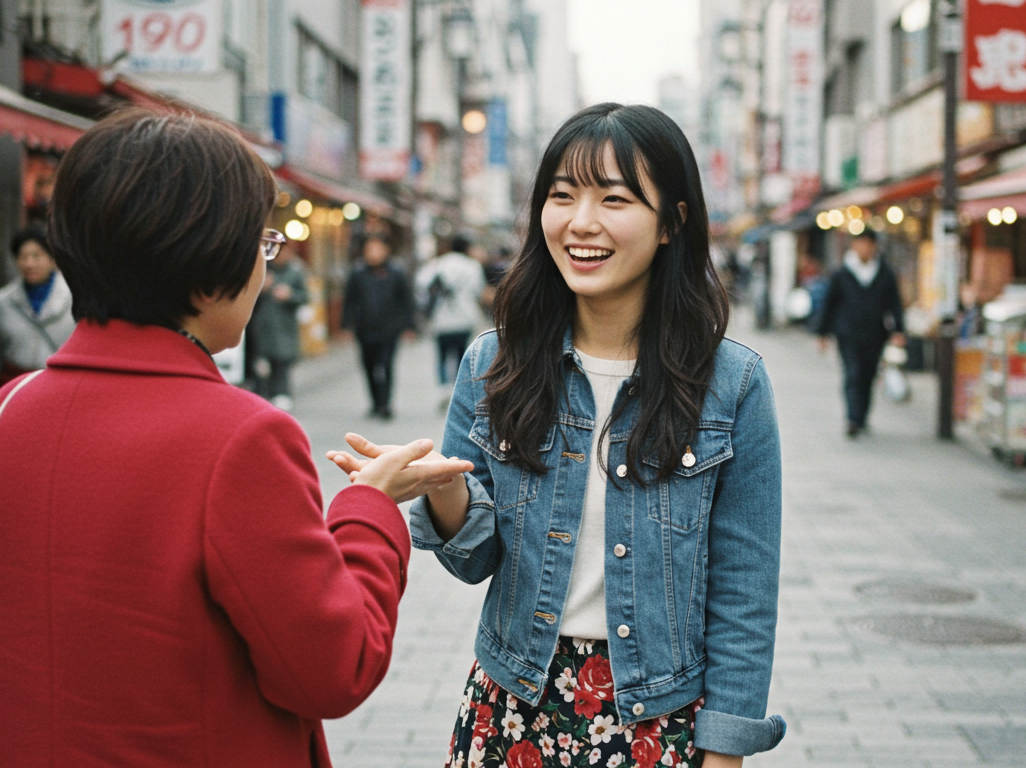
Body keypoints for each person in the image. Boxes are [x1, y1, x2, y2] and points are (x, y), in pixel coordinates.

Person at [0, 109, 472, 768]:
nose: (265, 264)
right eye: (262, 244)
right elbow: (332, 669)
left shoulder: (6, 413)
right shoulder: (241, 436)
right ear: (205, 270)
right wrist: (367, 508)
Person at [330, 103, 787, 768]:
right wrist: (442, 493)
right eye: (562, 195)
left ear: (673, 222)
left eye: (615, 199)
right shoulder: (494, 364)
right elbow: (474, 560)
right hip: (514, 709)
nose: (580, 223)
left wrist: (727, 748)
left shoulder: (734, 382)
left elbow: (746, 584)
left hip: (661, 721)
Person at [815, 228, 906, 437]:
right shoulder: (842, 273)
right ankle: (852, 418)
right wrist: (822, 333)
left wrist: (899, 330)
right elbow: (830, 304)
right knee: (853, 374)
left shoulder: (884, 273)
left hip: (875, 334)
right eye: (860, 243)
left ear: (875, 247)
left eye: (868, 244)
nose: (864, 248)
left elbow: (895, 304)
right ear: (853, 246)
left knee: (868, 375)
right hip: (847, 333)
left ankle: (862, 416)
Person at [0, 225, 76, 391]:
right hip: (13, 387)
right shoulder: (3, 301)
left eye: (37, 256)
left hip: (59, 387)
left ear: (52, 259)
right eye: (23, 256)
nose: (29, 263)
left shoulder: (73, 298)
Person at [342, 233, 416, 419]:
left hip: (389, 329)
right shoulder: (358, 273)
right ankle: (375, 403)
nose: (374, 253)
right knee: (368, 366)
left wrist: (409, 325)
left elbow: (406, 300)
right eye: (370, 249)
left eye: (377, 249)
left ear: (386, 250)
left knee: (386, 365)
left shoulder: (396, 272)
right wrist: (346, 325)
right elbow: (349, 301)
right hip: (364, 328)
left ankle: (385, 404)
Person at [415, 234, 487, 399]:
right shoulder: (472, 266)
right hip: (465, 317)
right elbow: (478, 290)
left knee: (442, 354)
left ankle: (443, 387)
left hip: (442, 318)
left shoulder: (438, 263)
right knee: (462, 354)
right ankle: (459, 389)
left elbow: (421, 283)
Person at [246, 238, 310, 411]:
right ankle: (261, 400)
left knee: (282, 364)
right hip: (261, 328)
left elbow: (305, 297)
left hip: (284, 328)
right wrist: (260, 288)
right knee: (261, 366)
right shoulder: (263, 270)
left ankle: (281, 396)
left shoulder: (296, 271)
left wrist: (290, 296)